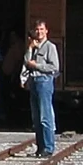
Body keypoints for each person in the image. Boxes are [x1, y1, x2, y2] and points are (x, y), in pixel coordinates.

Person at [22, 20, 60, 155]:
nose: (39, 32)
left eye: (42, 29)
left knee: (45, 116)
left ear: (46, 31)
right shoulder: (33, 47)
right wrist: (30, 48)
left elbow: (54, 68)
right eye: (37, 29)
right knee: (36, 117)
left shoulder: (50, 47)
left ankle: (49, 148)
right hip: (33, 81)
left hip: (44, 81)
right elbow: (26, 62)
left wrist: (37, 66)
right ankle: (40, 147)